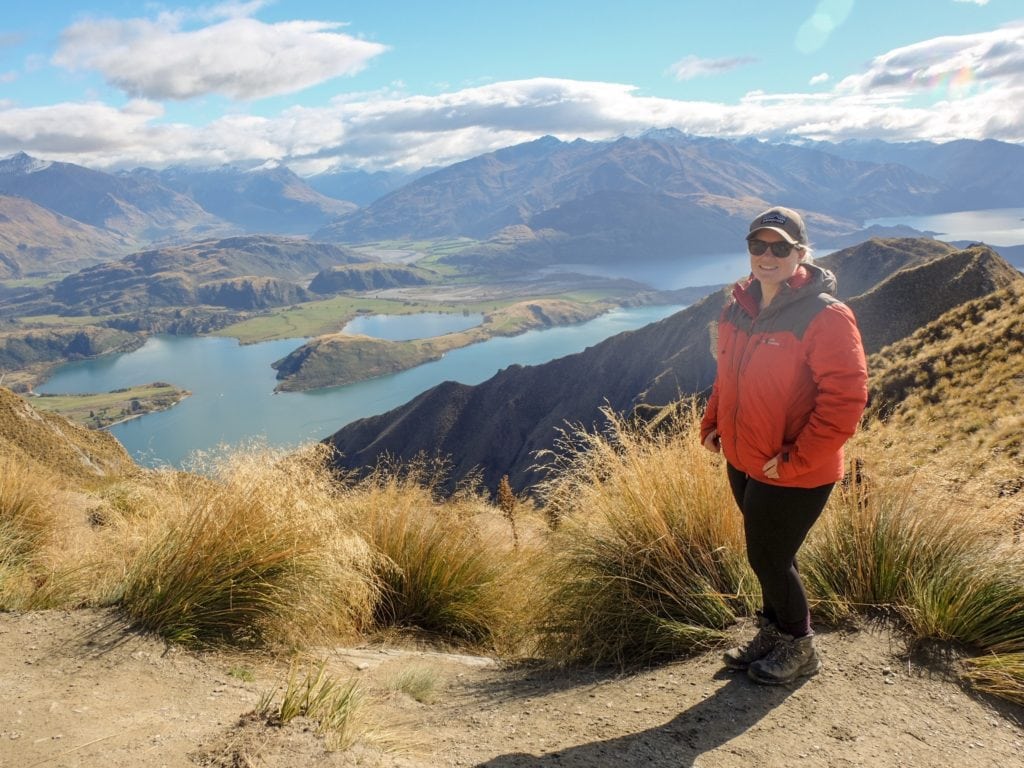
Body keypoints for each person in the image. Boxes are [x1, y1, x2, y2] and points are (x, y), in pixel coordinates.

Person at [700, 206, 868, 685]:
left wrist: (797, 458)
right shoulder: (737, 307)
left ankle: (799, 646)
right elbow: (726, 376)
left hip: (795, 467)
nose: (767, 255)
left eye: (780, 247)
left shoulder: (826, 315)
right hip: (745, 457)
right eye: (758, 245)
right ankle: (772, 635)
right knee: (770, 554)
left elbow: (846, 399)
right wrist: (713, 424)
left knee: (768, 558)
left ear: (801, 253)